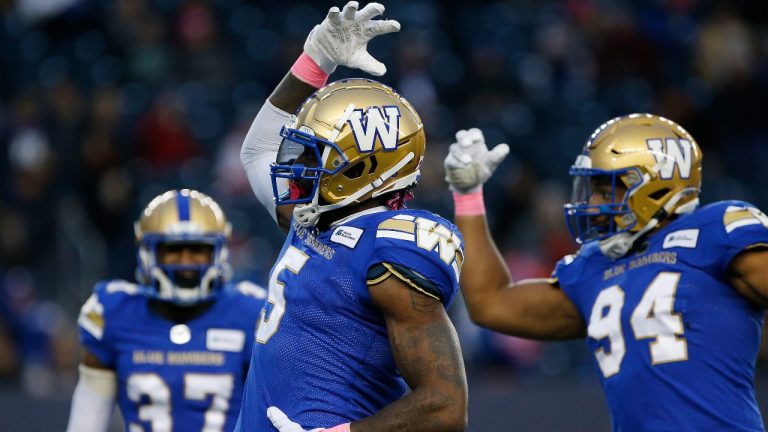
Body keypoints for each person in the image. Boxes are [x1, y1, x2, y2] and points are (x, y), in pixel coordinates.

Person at [443, 115, 768, 431]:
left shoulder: (715, 228)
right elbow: (492, 303)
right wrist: (468, 196)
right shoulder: (595, 266)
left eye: (606, 189)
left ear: (655, 184)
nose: (594, 203)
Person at [236, 2, 467, 431]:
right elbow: (257, 151)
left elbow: (445, 406)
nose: (299, 167)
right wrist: (317, 59)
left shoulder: (389, 250)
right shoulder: (314, 216)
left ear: (363, 168)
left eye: (315, 156)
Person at [66, 189, 266, 432]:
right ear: (148, 253)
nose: (185, 262)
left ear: (218, 252)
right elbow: (88, 416)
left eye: (197, 249)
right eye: (172, 249)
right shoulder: (113, 312)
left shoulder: (250, 312)